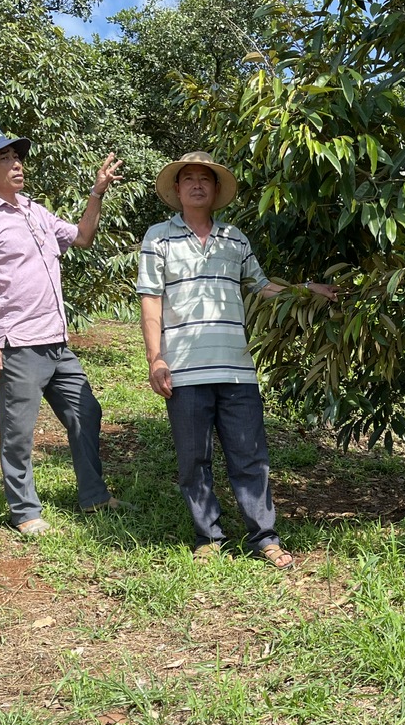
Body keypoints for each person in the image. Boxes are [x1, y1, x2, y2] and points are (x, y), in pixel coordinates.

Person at [136, 152, 337, 569]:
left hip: (237, 369)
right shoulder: (158, 238)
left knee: (250, 456)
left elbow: (261, 286)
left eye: (204, 179)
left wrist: (305, 289)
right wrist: (156, 359)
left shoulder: (235, 238)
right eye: (188, 179)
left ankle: (265, 537)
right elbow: (150, 300)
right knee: (194, 459)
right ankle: (208, 537)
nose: (196, 185)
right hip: (184, 369)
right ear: (177, 189)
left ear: (215, 190)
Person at [0, 124, 125, 537]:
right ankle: (25, 511)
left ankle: (94, 495)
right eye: (4, 158)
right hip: (16, 343)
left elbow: (82, 238)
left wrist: (97, 192)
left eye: (17, 156)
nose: (17, 164)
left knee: (86, 412)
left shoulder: (34, 210)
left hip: (55, 341)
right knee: (19, 432)